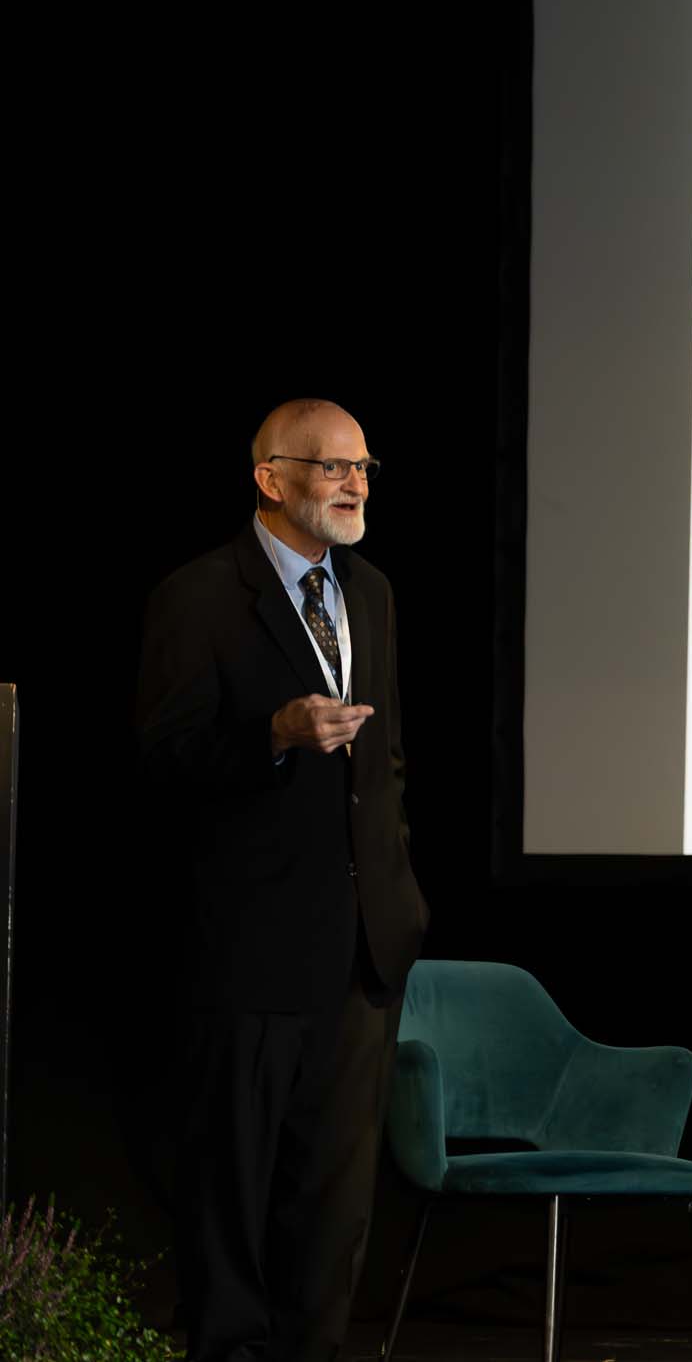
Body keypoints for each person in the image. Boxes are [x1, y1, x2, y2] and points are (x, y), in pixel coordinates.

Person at [136, 398, 429, 1362]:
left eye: (364, 468)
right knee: (230, 1212)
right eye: (333, 467)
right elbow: (165, 761)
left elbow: (384, 763)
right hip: (247, 954)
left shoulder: (371, 591)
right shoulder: (199, 595)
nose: (355, 485)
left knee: (331, 1222)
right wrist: (273, 734)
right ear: (270, 478)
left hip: (359, 953)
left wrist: (397, 888)